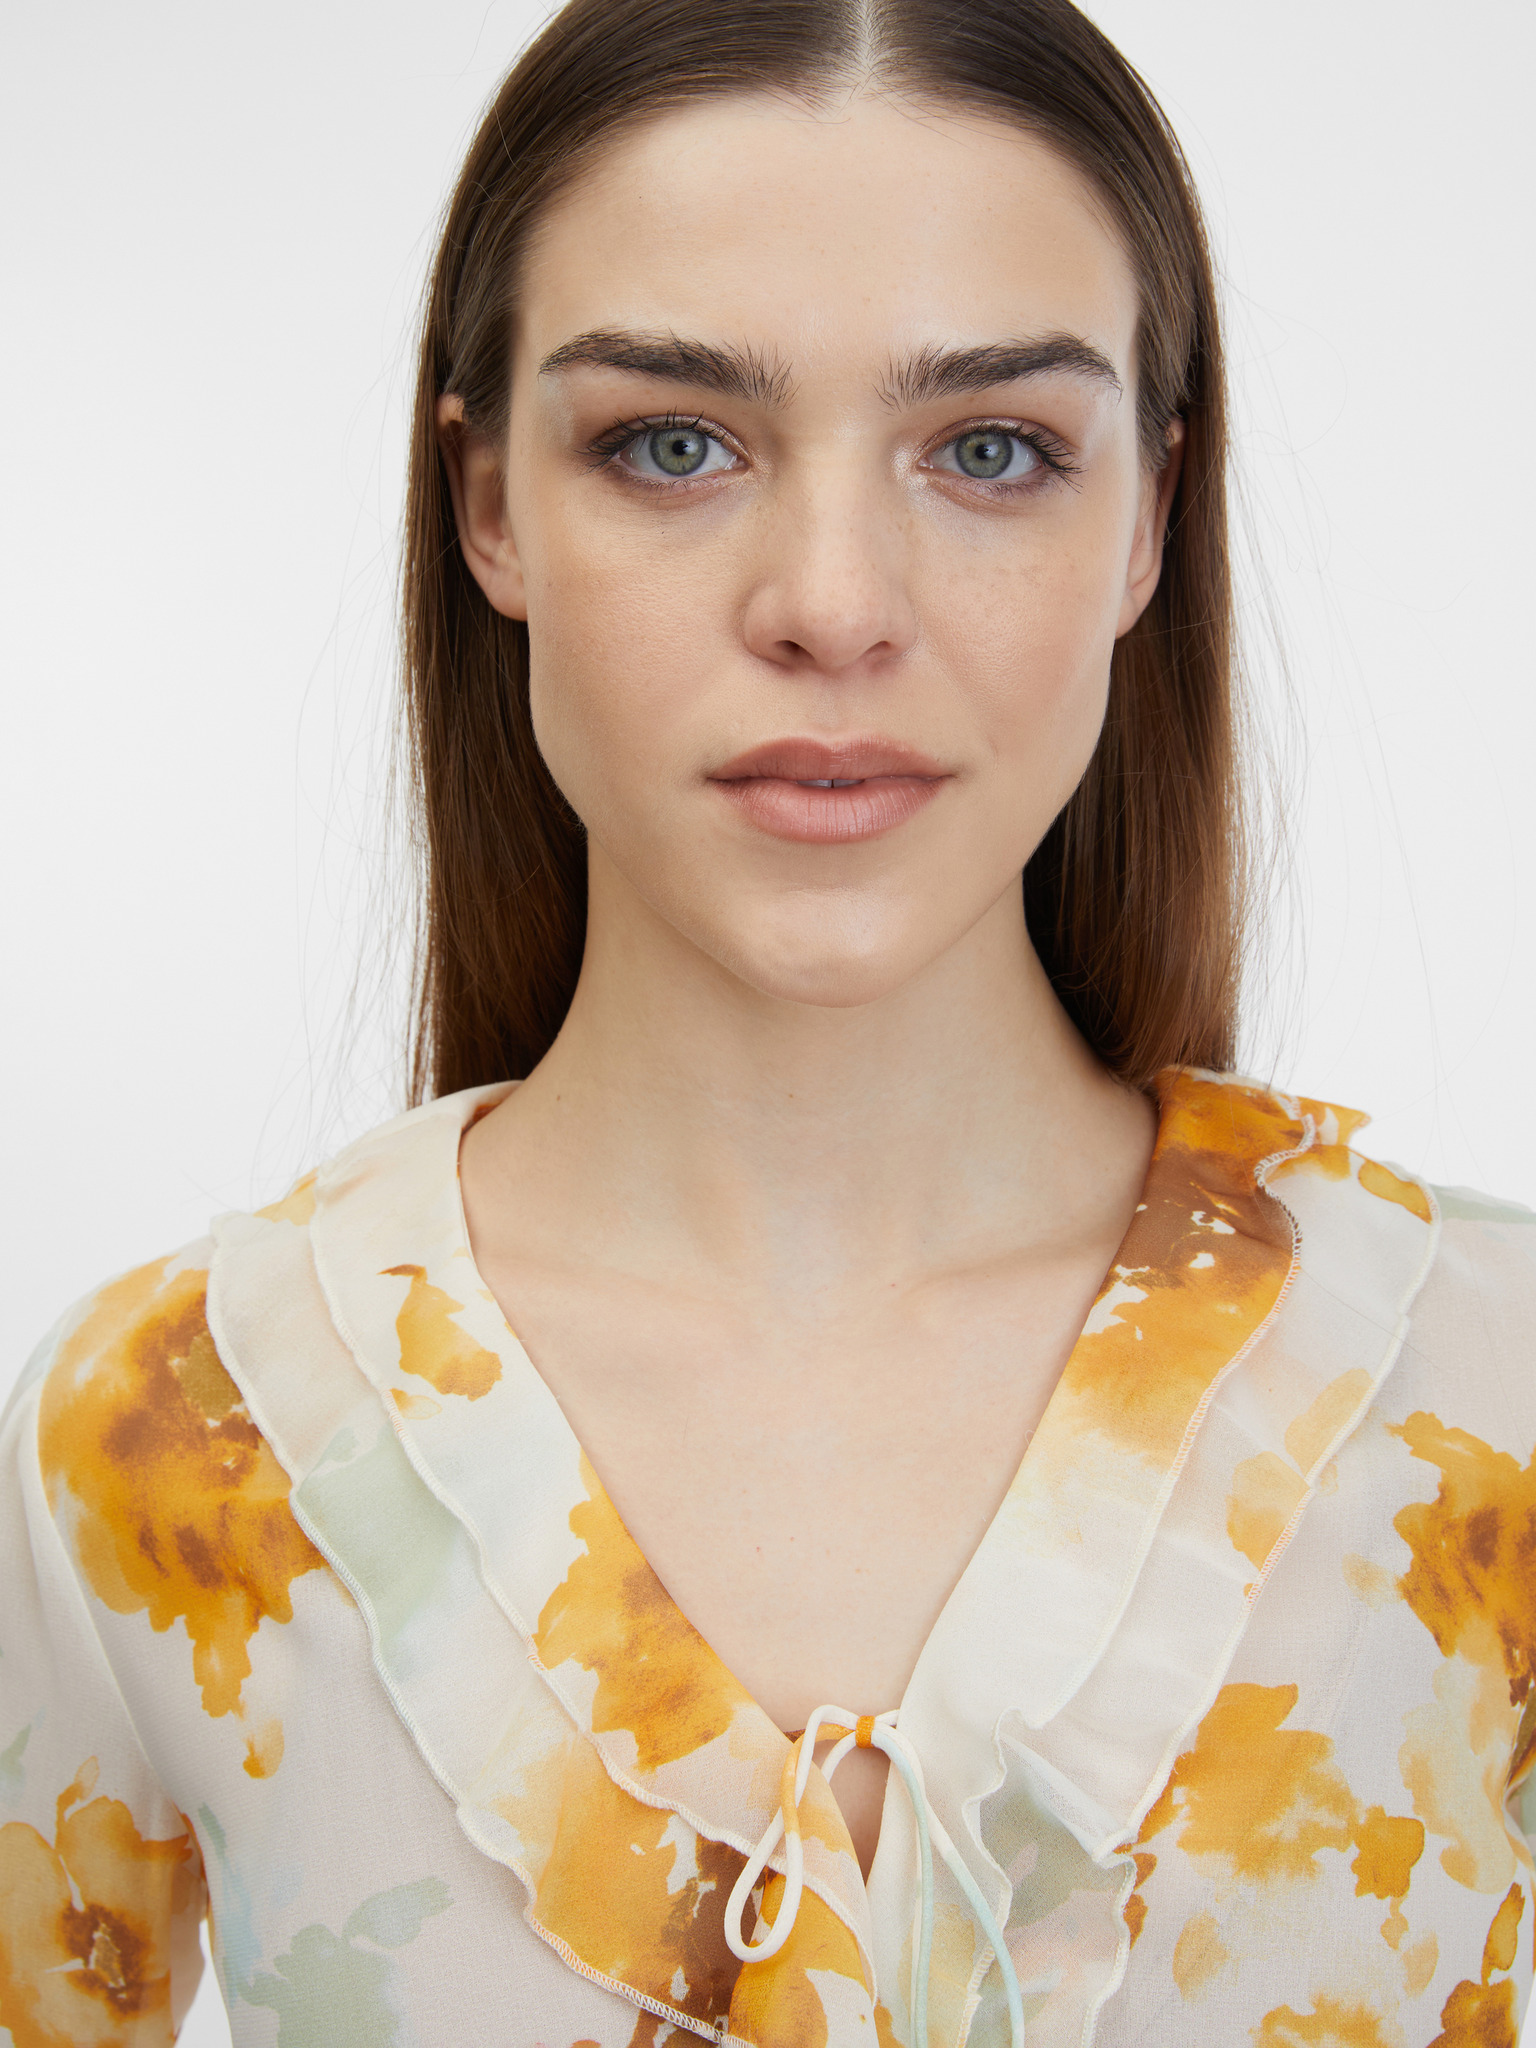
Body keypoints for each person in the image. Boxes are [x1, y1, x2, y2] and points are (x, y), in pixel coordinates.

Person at [2, 0, 1533, 2042]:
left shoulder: (1491, 1394)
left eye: (991, 450)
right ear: (489, 508)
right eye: (674, 443)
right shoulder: (167, 1433)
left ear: (1149, 522)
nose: (832, 599)